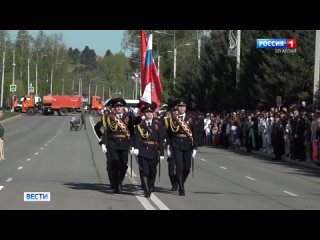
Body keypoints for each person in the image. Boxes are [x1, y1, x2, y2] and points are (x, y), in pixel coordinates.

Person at [100, 98, 138, 193]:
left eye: (120, 106)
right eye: (117, 106)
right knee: (114, 164)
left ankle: (119, 181)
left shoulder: (128, 117)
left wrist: (133, 145)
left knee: (123, 165)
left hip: (124, 144)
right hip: (112, 144)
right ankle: (116, 183)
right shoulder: (109, 117)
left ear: (123, 107)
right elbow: (107, 132)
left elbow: (133, 132)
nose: (119, 108)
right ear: (114, 108)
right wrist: (104, 143)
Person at [131, 102, 165, 198]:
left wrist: (162, 153)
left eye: (150, 112)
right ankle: (146, 190)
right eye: (147, 112)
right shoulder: (140, 126)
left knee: (152, 172)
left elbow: (161, 140)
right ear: (144, 114)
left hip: (154, 151)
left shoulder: (158, 125)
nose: (149, 114)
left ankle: (150, 186)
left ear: (153, 113)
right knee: (145, 171)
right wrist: (136, 148)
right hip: (143, 150)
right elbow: (137, 138)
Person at [165, 98, 197, 196]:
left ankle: (180, 182)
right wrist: (168, 146)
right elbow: (169, 134)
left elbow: (194, 133)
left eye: (183, 106)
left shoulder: (190, 119)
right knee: (179, 166)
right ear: (177, 108)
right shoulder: (172, 119)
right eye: (180, 106)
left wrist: (195, 147)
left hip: (187, 144)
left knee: (187, 168)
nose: (181, 108)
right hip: (176, 144)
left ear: (186, 108)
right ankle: (181, 189)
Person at [94, 98, 115, 189]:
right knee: (110, 163)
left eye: (115, 106)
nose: (114, 108)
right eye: (112, 107)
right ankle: (112, 181)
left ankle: (118, 181)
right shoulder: (107, 117)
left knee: (122, 164)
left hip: (122, 144)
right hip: (109, 143)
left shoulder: (124, 117)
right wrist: (101, 138)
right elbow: (97, 127)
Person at [163, 98, 179, 191]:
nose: (175, 112)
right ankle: (174, 184)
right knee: (171, 166)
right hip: (171, 145)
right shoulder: (167, 121)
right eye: (174, 110)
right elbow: (164, 132)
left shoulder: (183, 120)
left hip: (181, 146)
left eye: (176, 110)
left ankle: (178, 181)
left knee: (180, 166)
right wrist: (166, 145)